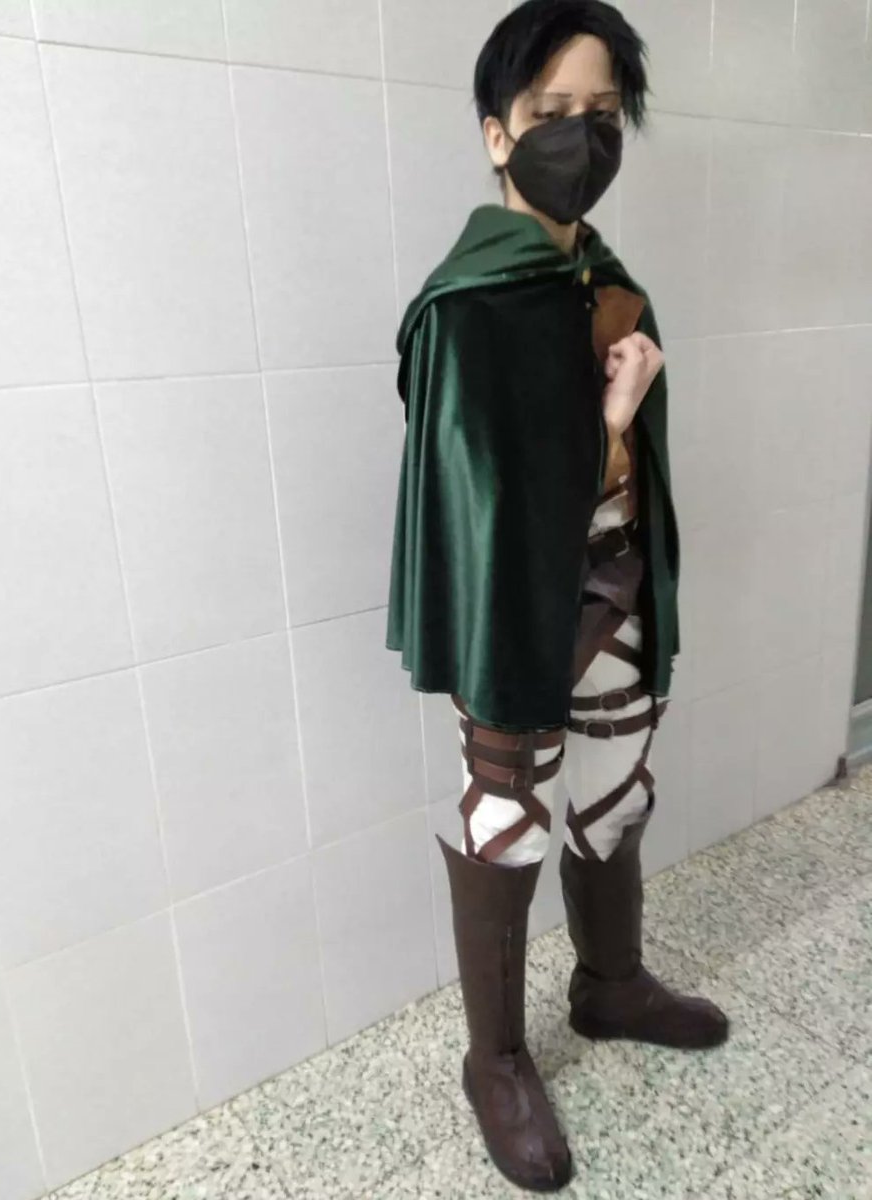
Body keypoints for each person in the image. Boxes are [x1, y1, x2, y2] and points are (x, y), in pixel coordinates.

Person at [385, 0, 730, 1191]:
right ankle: (493, 1059)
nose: (579, 137)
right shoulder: (464, 306)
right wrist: (611, 419)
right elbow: (486, 497)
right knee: (507, 812)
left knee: (614, 794)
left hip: (618, 590)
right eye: (549, 113)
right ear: (496, 133)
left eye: (600, 113)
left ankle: (610, 985)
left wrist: (624, 438)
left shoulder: (608, 279)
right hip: (513, 611)